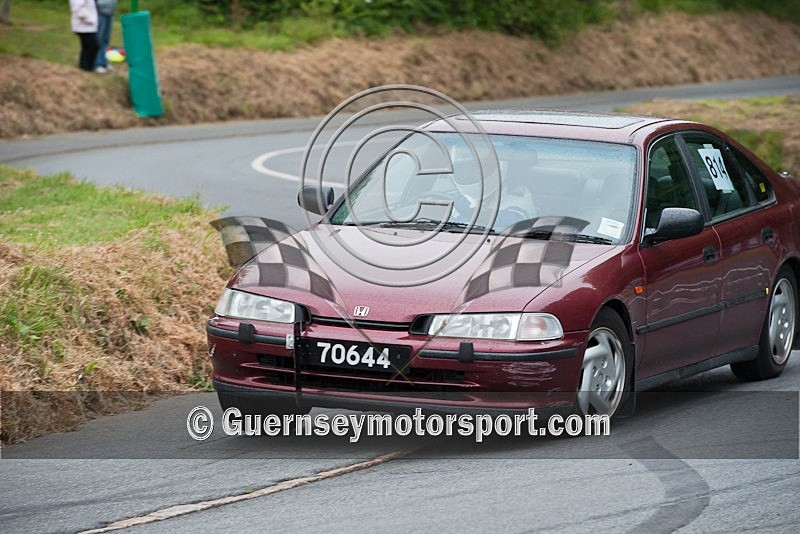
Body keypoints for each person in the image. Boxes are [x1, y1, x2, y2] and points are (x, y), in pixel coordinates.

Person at [69, 0, 98, 72]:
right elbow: (77, 8)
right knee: (92, 46)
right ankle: (85, 67)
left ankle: (86, 67)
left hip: (88, 25)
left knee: (87, 47)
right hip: (84, 24)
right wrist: (90, 18)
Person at [94, 0, 117, 74]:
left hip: (110, 13)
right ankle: (98, 63)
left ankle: (104, 62)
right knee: (99, 39)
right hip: (100, 13)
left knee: (106, 39)